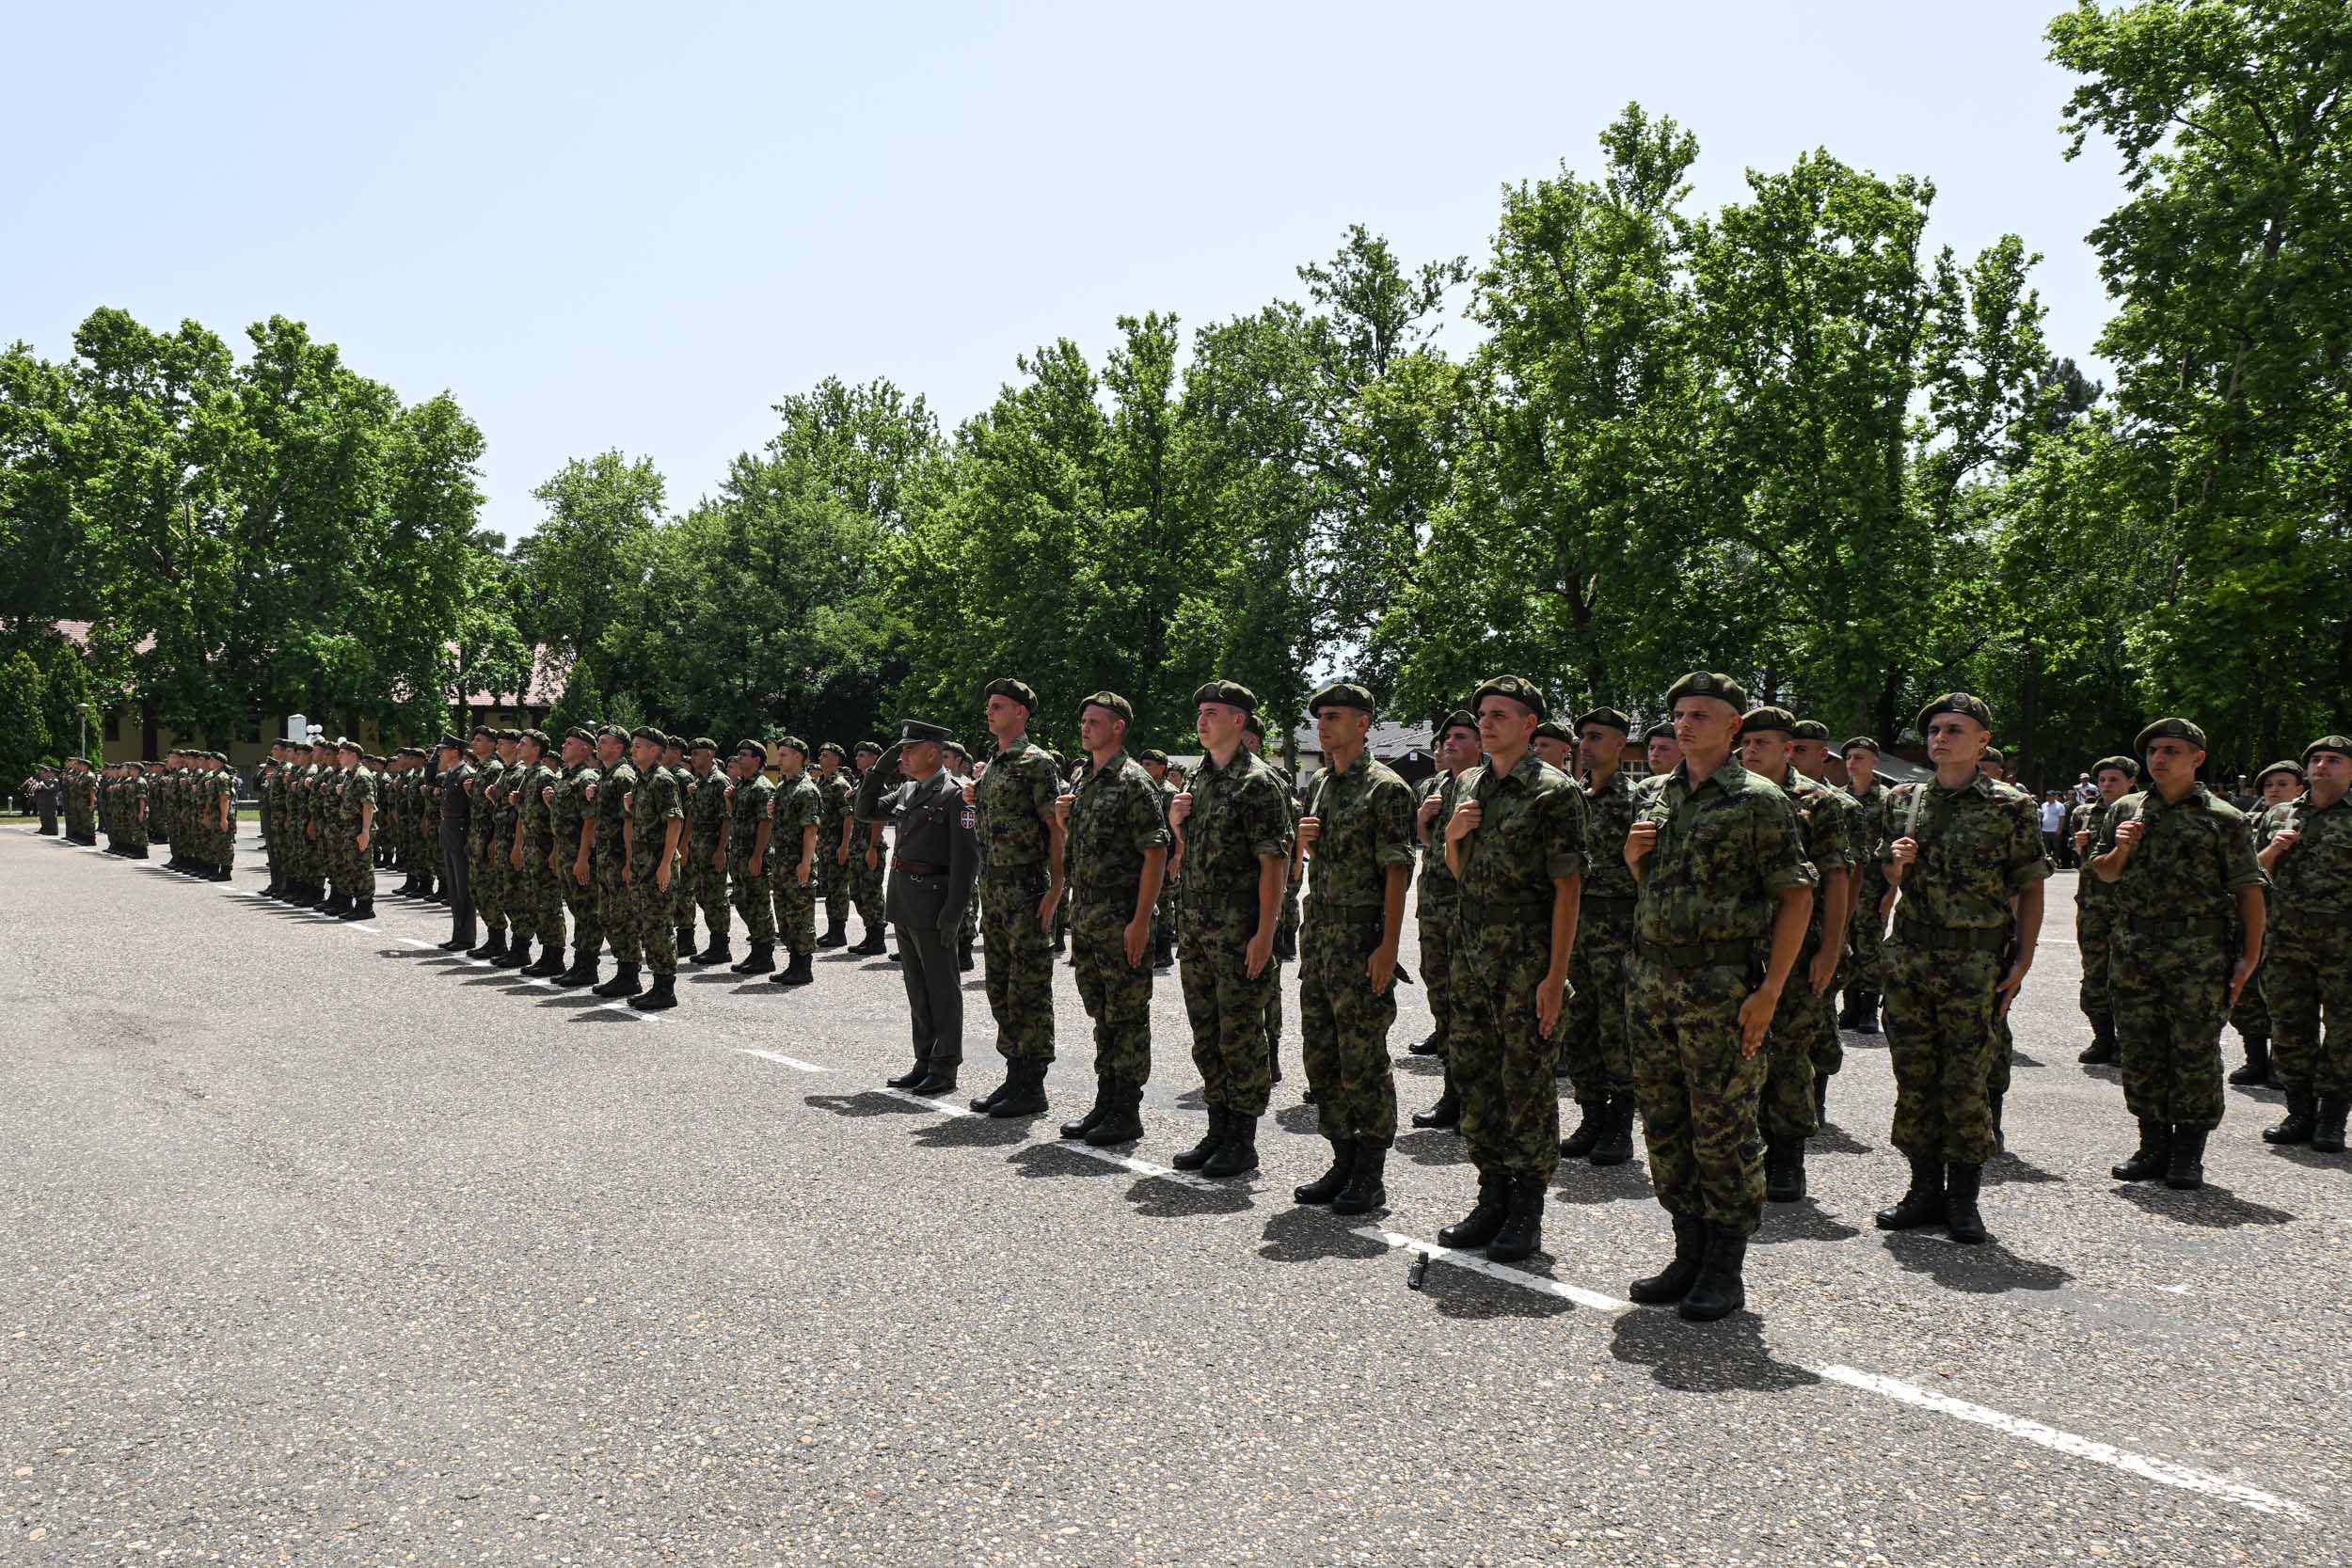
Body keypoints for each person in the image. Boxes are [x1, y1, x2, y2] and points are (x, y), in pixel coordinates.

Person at [1620, 674, 1813, 1321]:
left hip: (1722, 987)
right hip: (1653, 986)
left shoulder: (1760, 801)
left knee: (1723, 1128)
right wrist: (1632, 858)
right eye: (1678, 713)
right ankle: (1688, 1251)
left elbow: (1796, 895)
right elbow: (1653, 891)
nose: (1684, 724)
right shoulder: (1653, 795)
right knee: (1667, 1123)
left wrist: (1770, 990)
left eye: (1701, 714)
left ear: (1733, 729)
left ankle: (1725, 1267)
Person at [1876, 694, 2046, 1245]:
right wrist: (1894, 864)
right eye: (1934, 729)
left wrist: (2024, 956)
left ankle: (1963, 1199)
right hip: (1913, 955)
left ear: (1982, 742)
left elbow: (2031, 884)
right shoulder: (1903, 799)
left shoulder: (2010, 805)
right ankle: (1922, 1189)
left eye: (1954, 729)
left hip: (1975, 959)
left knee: (1968, 1079)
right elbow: (1887, 875)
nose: (1940, 738)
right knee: (1915, 1076)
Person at [1437, 674, 1585, 1263]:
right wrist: (1451, 836)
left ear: (1530, 725)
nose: (1487, 723)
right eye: (1483, 714)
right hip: (1472, 952)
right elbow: (1459, 871)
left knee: (1525, 1082)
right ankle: (1491, 1195)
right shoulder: (1469, 783)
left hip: (1526, 957)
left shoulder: (1553, 791)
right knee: (1476, 1078)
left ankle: (1527, 1208)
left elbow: (1568, 888)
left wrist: (1555, 977)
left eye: (1501, 714)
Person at [2090, 718, 2265, 1189]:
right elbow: (2103, 873)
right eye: (2152, 751)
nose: (2158, 759)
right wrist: (2121, 849)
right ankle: (2151, 1145)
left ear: (2196, 758)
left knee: (2193, 1050)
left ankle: (2188, 1153)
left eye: (2170, 750)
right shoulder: (2126, 808)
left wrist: (2250, 957)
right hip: (2135, 949)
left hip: (2198, 953)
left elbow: (2249, 890)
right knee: (2142, 1048)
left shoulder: (2224, 818)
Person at [1290, 682, 1415, 1215]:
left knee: (1363, 1058)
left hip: (1361, 939)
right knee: (1322, 1056)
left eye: (1334, 715)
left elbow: (1397, 871)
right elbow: (1322, 857)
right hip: (1320, 938)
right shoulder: (1320, 782)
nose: (1323, 724)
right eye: (1319, 716)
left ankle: (1370, 1170)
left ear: (1363, 723)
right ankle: (1342, 1157)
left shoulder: (1385, 788)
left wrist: (1388, 946)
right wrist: (1308, 840)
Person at [1167, 682, 1294, 1178]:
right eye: (1200, 712)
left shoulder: (1258, 782)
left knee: (1241, 1035)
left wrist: (1266, 932)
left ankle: (1242, 1139)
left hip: (1240, 933)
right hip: (1198, 930)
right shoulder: (1200, 779)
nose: (1202, 720)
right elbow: (1190, 858)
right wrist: (1178, 828)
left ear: (1239, 721)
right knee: (1207, 1034)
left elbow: (1273, 863)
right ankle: (1217, 1128)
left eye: (1213, 712)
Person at [1737, 708, 1848, 1204]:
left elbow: (1840, 878)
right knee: (1745, 1050)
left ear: (1788, 749)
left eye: (1763, 743)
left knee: (1789, 1055)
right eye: (1747, 742)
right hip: (1741, 946)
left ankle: (1788, 1156)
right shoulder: (1735, 793)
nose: (1751, 751)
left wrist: (1829, 950)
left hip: (1800, 948)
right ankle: (1750, 1148)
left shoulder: (1818, 803)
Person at [1055, 691, 1168, 1147]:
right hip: (1088, 917)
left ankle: (1127, 1109)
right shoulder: (1086, 778)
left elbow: (1156, 852)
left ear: (1118, 726)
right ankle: (1106, 1100)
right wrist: (1065, 823)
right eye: (1083, 720)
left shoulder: (1133, 781)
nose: (1085, 727)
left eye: (1094, 721)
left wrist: (1141, 920)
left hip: (1122, 917)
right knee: (1101, 1013)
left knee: (1127, 1015)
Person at [855, 721, 981, 1094]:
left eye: (909, 750)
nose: (903, 757)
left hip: (935, 901)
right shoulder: (908, 789)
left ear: (932, 752)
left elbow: (967, 860)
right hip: (905, 899)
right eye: (901, 751)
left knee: (942, 988)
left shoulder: (956, 794)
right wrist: (879, 769)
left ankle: (945, 1066)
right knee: (918, 988)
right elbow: (865, 810)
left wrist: (954, 911)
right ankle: (924, 1058)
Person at [962, 680, 1066, 1114]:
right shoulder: (993, 765)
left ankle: (1032, 1083)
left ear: (1020, 712)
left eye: (998, 706)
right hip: (994, 888)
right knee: (1001, 986)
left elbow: (1055, 829)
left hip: (1026, 887)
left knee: (1029, 986)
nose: (989, 712)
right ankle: (1013, 1073)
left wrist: (1057, 889)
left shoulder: (1035, 763)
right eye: (988, 705)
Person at [2255, 736, 2352, 1153]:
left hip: (2345, 946)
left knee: (2345, 1032)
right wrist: (2273, 852)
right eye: (2315, 759)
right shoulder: (2278, 815)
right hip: (2285, 942)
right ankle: (2299, 1112)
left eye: (2333, 760)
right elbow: (2249, 873)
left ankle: (2332, 1118)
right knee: (2290, 1027)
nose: (2322, 766)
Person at [1557, 706, 1639, 1164]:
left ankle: (1619, 1125)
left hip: (1620, 928)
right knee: (1580, 1025)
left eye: (1596, 737)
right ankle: (1590, 1117)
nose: (1585, 745)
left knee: (1618, 1029)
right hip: (1577, 925)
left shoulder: (1638, 799)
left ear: (1620, 746)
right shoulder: (1572, 797)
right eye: (1582, 737)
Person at [1408, 710, 1479, 1129]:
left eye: (1459, 736)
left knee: (1467, 1006)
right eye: (1445, 737)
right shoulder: (1433, 785)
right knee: (1441, 998)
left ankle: (1470, 1098)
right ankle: (1452, 1092)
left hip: (1466, 908)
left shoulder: (1483, 787)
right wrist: (1423, 821)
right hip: (1434, 907)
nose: (1448, 743)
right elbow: (1428, 845)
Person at [2225, 761, 2303, 1086]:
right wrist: (2274, 848)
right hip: (2256, 917)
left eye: (2282, 784)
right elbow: (2247, 870)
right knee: (2249, 995)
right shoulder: (2252, 821)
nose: (2274, 790)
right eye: (2269, 785)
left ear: (2300, 789)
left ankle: (2278, 1065)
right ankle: (2255, 1058)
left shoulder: (2307, 819)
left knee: (2284, 997)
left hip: (2293, 924)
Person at [2071, 757, 2139, 1066]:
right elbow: (2082, 867)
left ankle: (2127, 1041)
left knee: (2127, 976)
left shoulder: (2139, 813)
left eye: (2114, 780)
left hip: (2127, 908)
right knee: (2094, 973)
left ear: (2130, 783)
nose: (2107, 785)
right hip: (2092, 906)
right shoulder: (2083, 814)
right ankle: (2102, 1037)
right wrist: (2080, 847)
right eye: (2102, 780)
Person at [1836, 736, 1892, 1035]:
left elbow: (1893, 849)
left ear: (1874, 762)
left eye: (1860, 757)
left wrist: (1891, 892)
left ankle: (1869, 1009)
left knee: (1870, 947)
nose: (1852, 762)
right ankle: (1850, 1007)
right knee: (1845, 944)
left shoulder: (1887, 800)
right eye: (1849, 757)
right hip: (1844, 884)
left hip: (1874, 885)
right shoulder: (1837, 798)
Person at [586, 726, 643, 998]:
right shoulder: (605, 776)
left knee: (623, 918)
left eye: (603, 741)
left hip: (620, 857)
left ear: (618, 747)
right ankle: (623, 971)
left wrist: (630, 862)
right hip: (606, 856)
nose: (598, 745)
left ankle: (630, 975)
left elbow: (629, 821)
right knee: (608, 916)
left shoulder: (623, 776)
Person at [549, 729, 605, 989]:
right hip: (566, 852)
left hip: (580, 855)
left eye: (569, 743)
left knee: (587, 912)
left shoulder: (585, 778)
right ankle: (580, 963)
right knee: (576, 909)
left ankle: (587, 965)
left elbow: (590, 821)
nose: (563, 745)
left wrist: (582, 858)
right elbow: (563, 819)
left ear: (584, 749)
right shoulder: (566, 777)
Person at [766, 736, 821, 990]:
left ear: (798, 757)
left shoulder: (806, 789)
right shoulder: (784, 787)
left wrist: (805, 863)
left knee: (800, 915)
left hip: (797, 862)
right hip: (781, 862)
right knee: (786, 916)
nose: (779, 759)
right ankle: (793, 964)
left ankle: (803, 967)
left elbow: (810, 830)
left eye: (784, 755)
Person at [724, 739, 779, 974]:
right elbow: (736, 818)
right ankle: (757, 950)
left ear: (757, 760)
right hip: (739, 854)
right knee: (745, 903)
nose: (739, 759)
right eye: (738, 755)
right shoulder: (743, 786)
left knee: (758, 904)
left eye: (744, 755)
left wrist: (757, 855)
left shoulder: (762, 786)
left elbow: (765, 823)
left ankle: (764, 955)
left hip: (753, 855)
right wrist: (730, 800)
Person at [683, 738, 733, 966]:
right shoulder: (699, 782)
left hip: (714, 848)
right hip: (698, 849)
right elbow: (692, 816)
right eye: (691, 753)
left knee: (716, 897)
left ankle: (720, 946)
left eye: (697, 753)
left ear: (710, 755)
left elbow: (726, 819)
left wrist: (721, 849)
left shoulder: (719, 781)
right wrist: (685, 845)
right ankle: (716, 943)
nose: (692, 757)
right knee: (702, 894)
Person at [847, 739, 891, 957]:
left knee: (871, 893)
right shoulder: (860, 783)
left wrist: (873, 848)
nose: (858, 758)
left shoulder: (877, 785)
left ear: (876, 759)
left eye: (863, 755)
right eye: (858, 755)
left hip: (869, 846)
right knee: (856, 892)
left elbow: (879, 819)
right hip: (858, 846)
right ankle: (869, 933)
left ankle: (877, 939)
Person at [813, 742, 857, 951]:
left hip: (836, 845)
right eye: (821, 754)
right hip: (823, 846)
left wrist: (844, 846)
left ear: (836, 760)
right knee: (829, 889)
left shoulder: (840, 784)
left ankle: (838, 933)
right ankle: (832, 930)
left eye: (826, 755)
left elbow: (849, 817)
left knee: (838, 889)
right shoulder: (820, 783)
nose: (821, 757)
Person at [435, 734, 477, 952]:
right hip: (450, 833)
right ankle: (458, 934)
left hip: (461, 834)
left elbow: (473, 810)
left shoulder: (466, 774)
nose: (439, 753)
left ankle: (467, 936)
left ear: (455, 752)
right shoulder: (451, 774)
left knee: (463, 888)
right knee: (454, 888)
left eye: (443, 750)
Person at [2041, 792, 2069, 867]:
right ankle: (2048, 864)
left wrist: (2059, 829)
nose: (2048, 797)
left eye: (2050, 796)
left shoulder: (2060, 806)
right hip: (2045, 830)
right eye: (2047, 796)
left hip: (2055, 830)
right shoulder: (2043, 805)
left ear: (2054, 797)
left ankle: (2055, 863)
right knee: (2046, 848)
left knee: (2056, 848)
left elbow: (2062, 818)